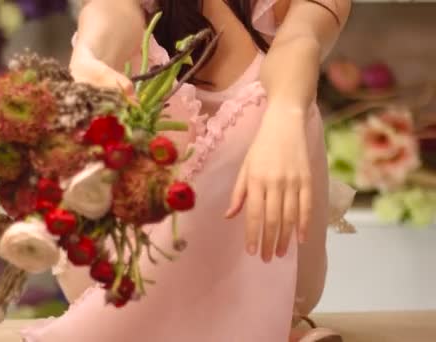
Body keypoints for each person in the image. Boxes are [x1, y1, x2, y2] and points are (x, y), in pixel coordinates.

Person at [21, 0, 353, 341]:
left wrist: (285, 117)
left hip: (267, 261)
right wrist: (87, 61)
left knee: (278, 104)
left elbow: (301, 41)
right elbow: (111, 15)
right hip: (118, 274)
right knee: (112, 99)